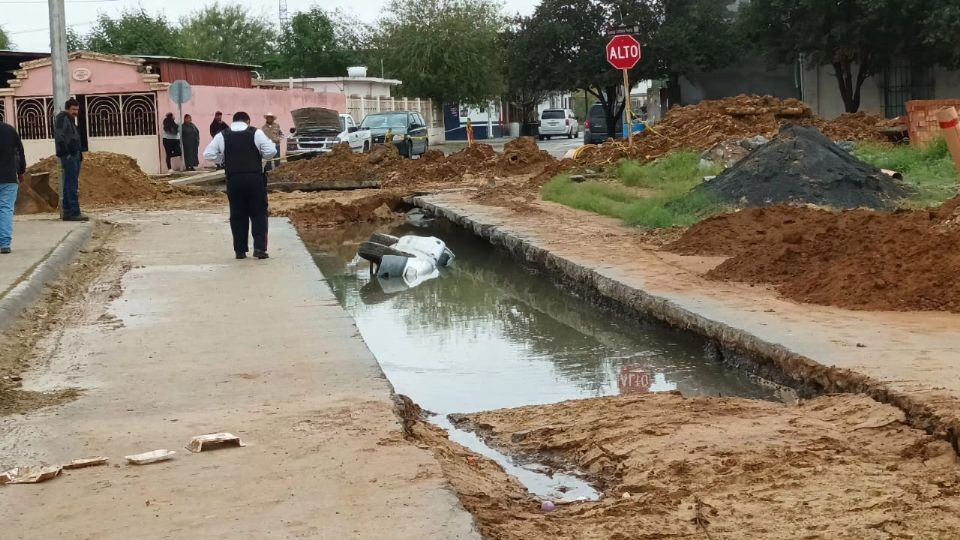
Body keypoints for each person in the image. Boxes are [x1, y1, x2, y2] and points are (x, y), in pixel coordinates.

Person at [203, 111, 276, 260]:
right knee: (258, 214)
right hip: (254, 178)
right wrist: (261, 155)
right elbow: (271, 151)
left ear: (233, 121)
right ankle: (260, 249)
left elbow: (208, 154)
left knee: (237, 215)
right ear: (248, 121)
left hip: (233, 179)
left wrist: (223, 159)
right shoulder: (256, 133)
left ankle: (240, 251)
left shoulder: (222, 135)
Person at [54, 98, 88, 222]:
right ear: (67, 108)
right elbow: (59, 136)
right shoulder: (62, 118)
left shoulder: (70, 119)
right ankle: (74, 212)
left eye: (77, 110)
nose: (75, 112)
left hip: (74, 155)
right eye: (73, 109)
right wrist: (66, 153)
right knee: (71, 184)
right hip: (69, 156)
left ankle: (68, 212)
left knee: (69, 183)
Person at [0, 121, 25, 254]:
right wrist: (21, 171)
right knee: (5, 209)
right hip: (8, 177)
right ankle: (4, 244)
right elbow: (20, 151)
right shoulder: (10, 130)